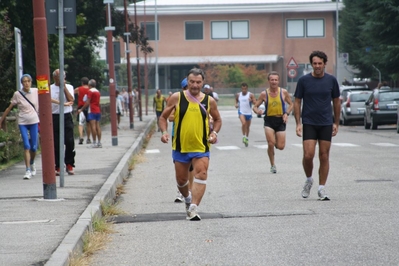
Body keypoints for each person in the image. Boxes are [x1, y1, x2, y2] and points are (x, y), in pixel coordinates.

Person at [159, 68, 222, 221]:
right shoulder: (176, 97)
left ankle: (193, 208)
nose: (195, 85)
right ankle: (187, 198)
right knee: (181, 181)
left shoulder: (209, 101)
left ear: (203, 83)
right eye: (192, 82)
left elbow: (218, 120)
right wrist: (164, 132)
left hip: (201, 146)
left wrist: (214, 133)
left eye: (198, 82)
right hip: (181, 146)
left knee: (201, 173)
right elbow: (163, 117)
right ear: (187, 82)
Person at [293, 51, 340, 200]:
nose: (317, 66)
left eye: (320, 63)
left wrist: (336, 122)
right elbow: (297, 101)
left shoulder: (331, 81)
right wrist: (298, 123)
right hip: (309, 122)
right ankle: (309, 179)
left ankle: (321, 188)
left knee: (324, 156)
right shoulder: (304, 81)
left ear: (324, 64)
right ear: (311, 64)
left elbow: (337, 102)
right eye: (315, 63)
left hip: (326, 122)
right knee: (308, 155)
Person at [0, 74, 39, 180]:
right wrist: (2, 119)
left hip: (34, 121)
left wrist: (61, 103)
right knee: (26, 145)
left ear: (31, 82)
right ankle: (27, 170)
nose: (26, 83)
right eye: (24, 81)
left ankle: (32, 162)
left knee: (34, 147)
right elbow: (9, 107)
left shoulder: (35, 91)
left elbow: (47, 99)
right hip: (23, 122)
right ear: (22, 83)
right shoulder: (18, 94)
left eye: (28, 81)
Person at [253, 72, 293, 173]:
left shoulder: (283, 92)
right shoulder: (264, 94)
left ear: (278, 81)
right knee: (270, 143)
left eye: (276, 80)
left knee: (280, 146)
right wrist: (258, 111)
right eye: (272, 80)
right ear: (269, 81)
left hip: (280, 120)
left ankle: (275, 141)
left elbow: (291, 104)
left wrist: (286, 114)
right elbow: (255, 106)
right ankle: (272, 165)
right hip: (269, 121)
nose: (274, 82)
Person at [168, 77, 194, 203]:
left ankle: (190, 190)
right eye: (185, 88)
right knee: (179, 166)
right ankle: (181, 190)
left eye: (187, 88)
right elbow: (170, 118)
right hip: (177, 135)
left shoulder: (197, 100)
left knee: (191, 167)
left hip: (192, 136)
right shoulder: (177, 100)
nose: (187, 90)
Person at [50, 69, 75, 175]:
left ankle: (69, 163)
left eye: (63, 77)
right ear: (55, 77)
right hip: (55, 116)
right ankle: (58, 165)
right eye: (59, 77)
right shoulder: (50, 88)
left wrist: (63, 87)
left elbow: (71, 100)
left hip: (66, 116)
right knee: (56, 142)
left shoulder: (69, 87)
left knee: (69, 141)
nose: (62, 79)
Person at [78, 79, 102, 148]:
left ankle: (94, 142)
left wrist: (81, 109)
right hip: (97, 110)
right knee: (98, 126)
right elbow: (99, 102)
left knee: (93, 126)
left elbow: (87, 102)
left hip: (92, 110)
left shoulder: (90, 91)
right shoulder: (98, 91)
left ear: (90, 85)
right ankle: (99, 142)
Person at [235, 82, 256, 147]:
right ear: (241, 89)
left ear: (247, 89)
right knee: (244, 123)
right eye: (242, 89)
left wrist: (251, 100)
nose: (244, 90)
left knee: (247, 126)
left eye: (245, 89)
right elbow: (236, 100)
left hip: (248, 112)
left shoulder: (250, 95)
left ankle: (246, 138)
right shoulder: (238, 95)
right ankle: (243, 136)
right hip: (241, 112)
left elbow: (255, 102)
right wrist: (236, 104)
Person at [74, 77, 91, 145]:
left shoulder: (78, 89)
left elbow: (72, 93)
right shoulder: (90, 89)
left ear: (82, 82)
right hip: (88, 107)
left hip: (81, 107)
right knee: (88, 123)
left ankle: (81, 136)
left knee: (80, 123)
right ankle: (88, 138)